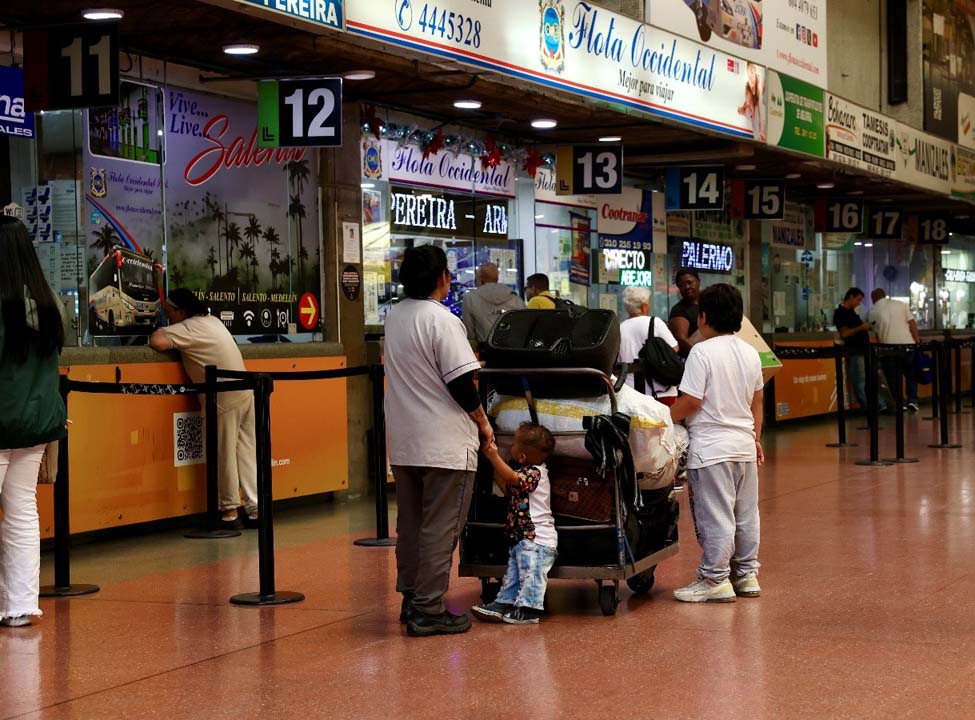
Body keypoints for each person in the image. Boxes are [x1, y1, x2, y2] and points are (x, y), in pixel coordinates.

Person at [385, 244, 494, 638]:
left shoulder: (395, 316)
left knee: (412, 525)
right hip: (444, 444)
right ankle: (429, 609)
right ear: (442, 278)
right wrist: (483, 423)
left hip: (404, 441)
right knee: (440, 528)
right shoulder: (442, 320)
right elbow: (462, 382)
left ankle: (411, 599)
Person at [669, 283, 764, 603]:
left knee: (717, 515)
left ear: (703, 317)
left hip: (711, 450)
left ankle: (714, 579)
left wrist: (660, 417)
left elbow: (691, 402)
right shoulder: (750, 352)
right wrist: (756, 437)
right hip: (744, 446)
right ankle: (746, 575)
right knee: (747, 514)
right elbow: (757, 402)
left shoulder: (702, 352)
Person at [0, 217, 67, 627]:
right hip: (37, 422)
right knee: (23, 510)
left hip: (2, 418)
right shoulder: (48, 302)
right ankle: (20, 606)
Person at [149, 289, 257, 529]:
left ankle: (229, 512)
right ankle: (255, 509)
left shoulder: (188, 328)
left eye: (170, 313)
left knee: (224, 454)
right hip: (246, 391)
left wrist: (162, 330)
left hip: (223, 398)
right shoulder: (214, 321)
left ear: (182, 311)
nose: (168, 318)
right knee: (246, 452)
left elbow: (157, 341)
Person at [472, 422, 557, 625]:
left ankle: (529, 609)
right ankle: (504, 602)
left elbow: (512, 477)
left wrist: (494, 456)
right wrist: (495, 471)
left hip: (537, 540)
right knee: (514, 574)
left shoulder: (535, 473)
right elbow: (510, 489)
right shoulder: (527, 474)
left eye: (513, 444)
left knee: (532, 575)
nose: (510, 447)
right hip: (522, 538)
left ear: (522, 457)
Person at [618, 286, 680, 405]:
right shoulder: (654, 322)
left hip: (630, 394)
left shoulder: (619, 328)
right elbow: (674, 348)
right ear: (644, 306)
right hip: (660, 392)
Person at [833, 287, 886, 412]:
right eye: (858, 300)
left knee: (868, 379)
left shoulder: (851, 312)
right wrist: (861, 328)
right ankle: (871, 406)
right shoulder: (840, 313)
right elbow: (845, 333)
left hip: (863, 348)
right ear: (850, 297)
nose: (858, 303)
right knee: (860, 380)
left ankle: (879, 404)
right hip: (856, 350)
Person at [869, 288, 920, 412]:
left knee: (893, 378)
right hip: (908, 345)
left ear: (873, 299)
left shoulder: (872, 312)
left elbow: (873, 331)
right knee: (910, 375)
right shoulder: (900, 304)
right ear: (885, 295)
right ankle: (912, 401)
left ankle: (899, 403)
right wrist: (916, 338)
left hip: (888, 348)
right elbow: (912, 323)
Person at [462, 262, 524, 344]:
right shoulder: (515, 297)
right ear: (497, 277)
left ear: (480, 278)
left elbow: (469, 332)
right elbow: (524, 325)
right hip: (514, 349)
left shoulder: (470, 298)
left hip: (486, 351)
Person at [668, 267, 701, 358]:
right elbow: (682, 341)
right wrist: (703, 356)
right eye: (681, 285)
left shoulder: (709, 303)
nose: (687, 287)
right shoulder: (679, 310)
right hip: (692, 361)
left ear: (698, 281)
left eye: (690, 282)